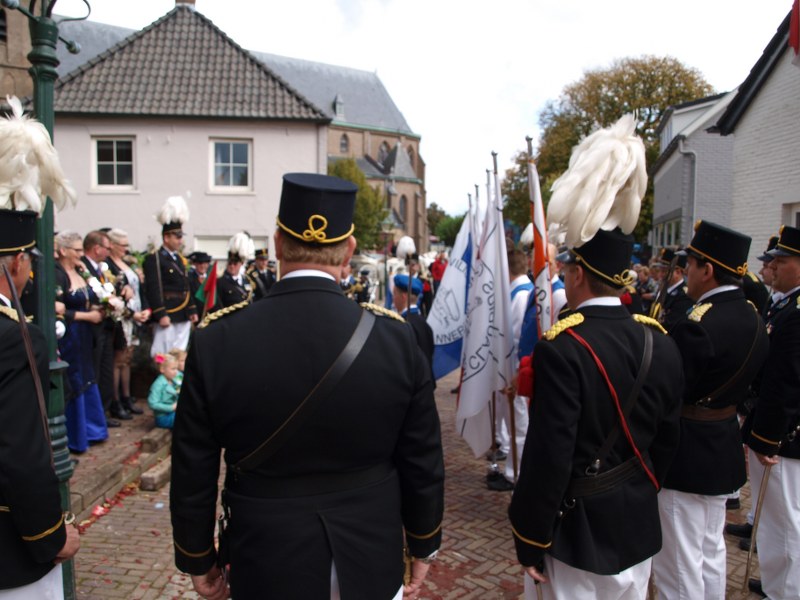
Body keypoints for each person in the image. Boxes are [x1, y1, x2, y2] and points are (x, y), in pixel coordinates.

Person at [170, 172, 444, 599]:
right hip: (372, 554)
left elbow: (193, 468)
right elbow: (422, 458)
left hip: (265, 558)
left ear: (278, 242)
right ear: (349, 249)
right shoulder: (395, 338)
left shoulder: (217, 339)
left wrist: (197, 557)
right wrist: (424, 543)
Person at [509, 115, 682, 600]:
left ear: (579, 274)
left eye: (565, 268)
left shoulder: (563, 347)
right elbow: (667, 440)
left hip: (577, 531)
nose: (561, 275)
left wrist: (530, 534)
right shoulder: (659, 339)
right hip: (637, 523)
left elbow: (550, 454)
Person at [651, 221, 769, 600]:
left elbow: (668, 392)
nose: (686, 273)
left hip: (687, 452)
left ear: (709, 270)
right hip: (720, 447)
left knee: (678, 562)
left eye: (692, 264)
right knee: (710, 550)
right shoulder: (751, 315)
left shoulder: (698, 325)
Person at [0, 209, 80, 596]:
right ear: (17, 260)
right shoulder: (15, 337)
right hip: (10, 553)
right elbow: (22, 452)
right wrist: (50, 536)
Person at [744, 224, 800, 599]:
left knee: (786, 525)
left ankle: (787, 592)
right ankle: (779, 586)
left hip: (785, 439)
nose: (773, 266)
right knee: (777, 524)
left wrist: (767, 438)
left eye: (782, 259)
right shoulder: (783, 305)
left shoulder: (796, 312)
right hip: (779, 433)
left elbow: (787, 382)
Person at [54, 231, 110, 451]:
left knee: (88, 374)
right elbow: (57, 309)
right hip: (71, 333)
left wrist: (101, 307)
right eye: (76, 250)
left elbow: (91, 297)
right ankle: (77, 434)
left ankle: (92, 428)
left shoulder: (80, 270)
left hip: (87, 333)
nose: (80, 254)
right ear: (63, 251)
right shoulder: (58, 274)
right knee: (75, 376)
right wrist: (87, 316)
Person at [490, 246, 533, 492]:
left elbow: (517, 339)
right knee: (512, 419)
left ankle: (514, 474)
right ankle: (510, 465)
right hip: (510, 368)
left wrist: (514, 376)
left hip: (514, 369)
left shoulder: (521, 296)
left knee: (518, 422)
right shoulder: (517, 292)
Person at [81, 230, 132, 423]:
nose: (109, 251)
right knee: (96, 370)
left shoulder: (102, 268)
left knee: (106, 370)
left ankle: (104, 410)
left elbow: (111, 289)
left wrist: (123, 290)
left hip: (109, 325)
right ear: (97, 248)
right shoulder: (84, 267)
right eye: (107, 247)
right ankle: (97, 414)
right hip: (94, 326)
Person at [143, 195, 198, 357]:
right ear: (166, 237)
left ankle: (176, 381)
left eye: (181, 236)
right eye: (177, 236)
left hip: (182, 312)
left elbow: (185, 286)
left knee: (179, 354)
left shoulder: (180, 259)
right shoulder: (155, 259)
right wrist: (160, 313)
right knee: (162, 353)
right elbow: (153, 288)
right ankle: (163, 381)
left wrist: (192, 309)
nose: (180, 241)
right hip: (168, 310)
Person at [106, 228, 150, 416]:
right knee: (119, 359)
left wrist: (145, 310)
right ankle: (115, 401)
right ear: (113, 245)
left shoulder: (126, 263)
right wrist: (132, 314)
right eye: (123, 245)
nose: (126, 249)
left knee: (128, 359)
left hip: (135, 316)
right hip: (122, 317)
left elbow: (139, 290)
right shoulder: (108, 266)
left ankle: (127, 396)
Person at [392, 273, 434, 370]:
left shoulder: (402, 324)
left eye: (394, 294)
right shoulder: (423, 323)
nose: (393, 299)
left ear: (403, 297)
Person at [651, 247, 693, 330]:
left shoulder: (684, 295)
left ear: (678, 272)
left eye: (664, 271)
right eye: (660, 271)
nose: (660, 275)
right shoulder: (663, 291)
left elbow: (671, 324)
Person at [215, 232, 253, 309]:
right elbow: (218, 304)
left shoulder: (247, 280)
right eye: (230, 263)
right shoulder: (220, 282)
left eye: (235, 264)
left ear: (241, 264)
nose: (232, 266)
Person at [148, 353, 180, 429]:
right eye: (173, 369)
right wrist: (171, 407)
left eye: (177, 368)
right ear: (162, 369)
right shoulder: (158, 384)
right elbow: (152, 403)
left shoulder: (174, 380)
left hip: (173, 413)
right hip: (163, 417)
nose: (176, 371)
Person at [187, 251, 212, 316]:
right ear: (195, 264)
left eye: (205, 263)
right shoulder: (189, 278)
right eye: (200, 263)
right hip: (196, 314)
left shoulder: (212, 278)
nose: (203, 266)